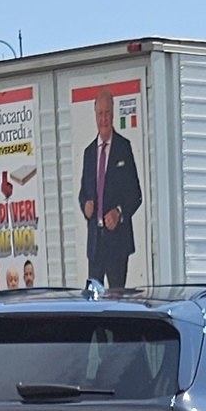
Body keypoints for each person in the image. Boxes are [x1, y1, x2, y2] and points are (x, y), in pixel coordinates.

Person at [78, 93, 143, 292]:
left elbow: (136, 194)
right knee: (93, 299)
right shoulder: (89, 153)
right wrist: (85, 206)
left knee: (117, 297)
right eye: (100, 114)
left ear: (113, 114)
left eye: (107, 113)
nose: (103, 118)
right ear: (95, 116)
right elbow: (83, 192)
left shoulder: (124, 148)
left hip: (117, 241)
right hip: (95, 243)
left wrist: (119, 212)